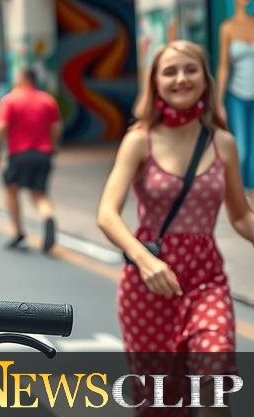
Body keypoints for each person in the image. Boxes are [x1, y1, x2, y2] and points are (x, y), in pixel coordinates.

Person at [97, 41, 254, 410]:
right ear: (155, 82)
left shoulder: (223, 145)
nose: (181, 78)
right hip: (148, 284)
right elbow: (107, 212)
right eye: (170, 71)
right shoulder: (139, 142)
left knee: (216, 382)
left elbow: (241, 215)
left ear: (205, 78)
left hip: (206, 279)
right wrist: (144, 260)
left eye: (190, 69)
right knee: (160, 403)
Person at [0, 67, 62, 252]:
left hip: (19, 155)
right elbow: (56, 127)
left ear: (22, 79)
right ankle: (47, 216)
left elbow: (0, 128)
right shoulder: (48, 100)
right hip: (43, 154)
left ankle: (18, 231)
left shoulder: (10, 100)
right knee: (39, 194)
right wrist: (52, 147)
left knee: (11, 189)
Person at [216, 0, 254, 196]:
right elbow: (223, 67)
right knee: (241, 151)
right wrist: (218, 102)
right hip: (237, 97)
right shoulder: (227, 28)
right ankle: (237, 197)